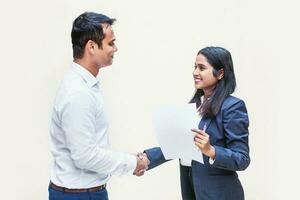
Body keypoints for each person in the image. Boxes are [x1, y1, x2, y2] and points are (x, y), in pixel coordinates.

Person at [48, 12, 149, 200]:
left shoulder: (85, 85)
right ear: (92, 47)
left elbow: (89, 146)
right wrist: (131, 163)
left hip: (86, 192)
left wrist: (131, 160)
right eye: (111, 43)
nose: (116, 48)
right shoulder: (78, 93)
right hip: (79, 196)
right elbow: (84, 156)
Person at [143, 46, 250, 200]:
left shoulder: (232, 107)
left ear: (220, 73)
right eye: (195, 67)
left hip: (220, 195)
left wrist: (211, 150)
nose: (195, 72)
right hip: (192, 191)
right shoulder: (195, 106)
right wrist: (145, 159)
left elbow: (242, 159)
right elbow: (179, 144)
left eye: (202, 68)